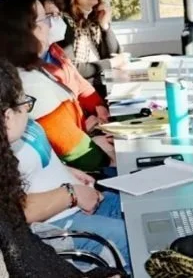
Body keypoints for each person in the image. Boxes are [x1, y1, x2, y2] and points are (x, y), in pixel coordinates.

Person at [0, 58, 125, 278]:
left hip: (81, 200)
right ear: (7, 116)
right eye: (24, 103)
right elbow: (14, 213)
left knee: (149, 214)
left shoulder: (13, 132)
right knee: (137, 238)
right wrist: (72, 194)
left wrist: (66, 169)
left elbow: (33, 165)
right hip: (57, 225)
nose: (28, 110)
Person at [0, 0, 114, 172]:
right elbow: (76, 151)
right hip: (80, 173)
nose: (50, 25)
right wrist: (108, 160)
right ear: (27, 31)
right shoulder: (29, 83)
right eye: (45, 18)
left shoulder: (30, 69)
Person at [33, 0, 110, 132]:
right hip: (75, 132)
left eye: (58, 15)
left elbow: (79, 83)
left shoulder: (55, 50)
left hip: (86, 124)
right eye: (49, 16)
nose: (56, 20)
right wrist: (85, 127)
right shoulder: (31, 69)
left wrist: (98, 107)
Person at [58, 0, 127, 95]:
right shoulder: (64, 23)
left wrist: (104, 25)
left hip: (103, 85)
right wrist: (112, 63)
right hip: (84, 93)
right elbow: (73, 69)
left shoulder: (91, 18)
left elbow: (114, 53)